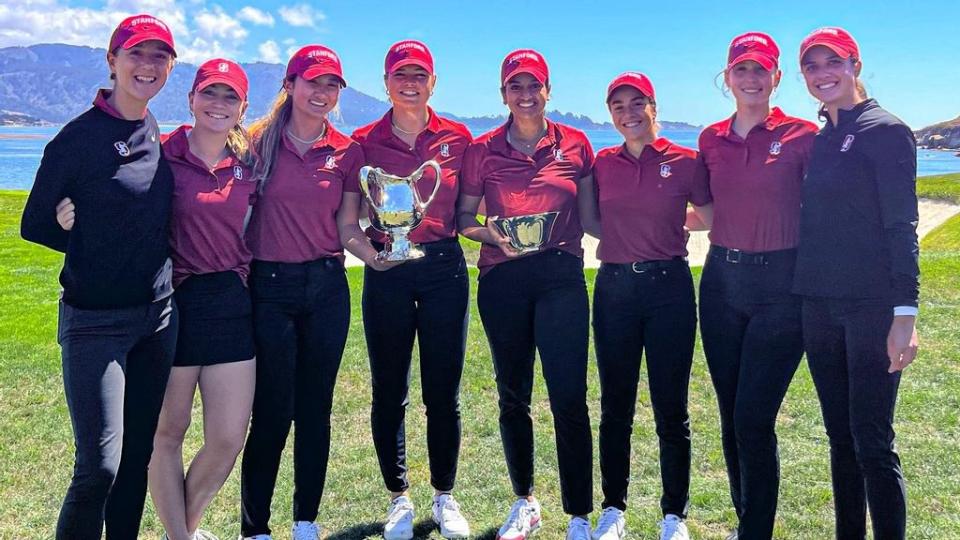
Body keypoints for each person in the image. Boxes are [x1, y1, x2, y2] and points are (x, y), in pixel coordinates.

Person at [20, 13, 179, 539]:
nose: (148, 65)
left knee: (137, 457)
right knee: (99, 467)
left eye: (160, 56)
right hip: (94, 323)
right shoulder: (75, 141)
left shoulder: (156, 129)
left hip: (157, 319)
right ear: (112, 61)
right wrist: (74, 232)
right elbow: (35, 224)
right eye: (136, 53)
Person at [457, 49, 595, 540]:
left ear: (548, 90)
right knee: (513, 395)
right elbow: (464, 221)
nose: (526, 95)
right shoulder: (482, 149)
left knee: (568, 397)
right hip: (503, 280)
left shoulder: (577, 144)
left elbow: (596, 216)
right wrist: (493, 235)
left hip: (560, 277)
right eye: (516, 87)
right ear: (503, 95)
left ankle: (579, 513)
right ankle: (525, 501)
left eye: (534, 85)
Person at [338, 40, 472, 540]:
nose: (410, 83)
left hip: (443, 268)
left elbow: (468, 211)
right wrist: (373, 258)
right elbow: (347, 219)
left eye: (419, 75)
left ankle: (444, 495)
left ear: (433, 82)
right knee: (388, 389)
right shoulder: (362, 142)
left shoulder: (459, 139)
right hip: (386, 267)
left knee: (444, 390)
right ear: (386, 82)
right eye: (401, 75)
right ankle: (398, 496)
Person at [794, 27, 919, 540]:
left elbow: (901, 226)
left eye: (833, 63)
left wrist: (905, 316)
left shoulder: (886, 131)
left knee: (872, 440)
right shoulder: (822, 135)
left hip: (870, 308)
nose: (823, 74)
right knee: (839, 439)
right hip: (818, 304)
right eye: (812, 66)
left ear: (855, 66)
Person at [238, 45, 364, 540]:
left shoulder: (348, 151)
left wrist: (375, 254)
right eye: (313, 82)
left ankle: (306, 520)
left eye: (332, 84)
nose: (323, 93)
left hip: (328, 286)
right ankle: (255, 528)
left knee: (316, 408)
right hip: (268, 288)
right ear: (289, 85)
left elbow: (348, 223)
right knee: (272, 408)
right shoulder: (251, 144)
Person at [579, 72, 711, 540]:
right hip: (614, 289)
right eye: (618, 106)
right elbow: (592, 221)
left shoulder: (686, 160)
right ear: (609, 114)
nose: (628, 113)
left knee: (670, 407)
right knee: (615, 406)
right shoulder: (601, 163)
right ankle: (613, 508)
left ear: (653, 106)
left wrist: (669, 223)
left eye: (637, 103)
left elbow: (709, 216)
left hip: (668, 289)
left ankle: (674, 514)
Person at [696, 32, 818, 540]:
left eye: (760, 69)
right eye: (741, 69)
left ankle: (755, 531)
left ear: (776, 77)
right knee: (730, 413)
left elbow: (827, 209)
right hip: (721, 282)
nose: (750, 78)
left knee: (753, 417)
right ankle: (746, 516)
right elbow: (704, 213)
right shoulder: (709, 140)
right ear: (727, 78)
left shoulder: (804, 135)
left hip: (781, 287)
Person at [146, 59, 257, 540]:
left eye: (229, 96)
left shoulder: (250, 163)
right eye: (209, 93)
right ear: (191, 99)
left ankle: (181, 530)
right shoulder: (159, 153)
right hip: (173, 302)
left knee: (228, 437)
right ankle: (179, 536)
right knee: (167, 432)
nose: (218, 104)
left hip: (230, 301)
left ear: (242, 108)